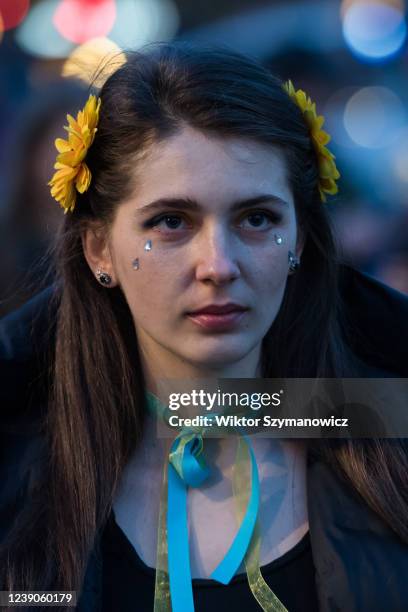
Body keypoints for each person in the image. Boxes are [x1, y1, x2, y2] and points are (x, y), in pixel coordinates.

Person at [0, 41, 407, 612]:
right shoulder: (17, 476)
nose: (218, 264)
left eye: (257, 218)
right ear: (99, 250)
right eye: (171, 221)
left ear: (301, 241)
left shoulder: (389, 441)